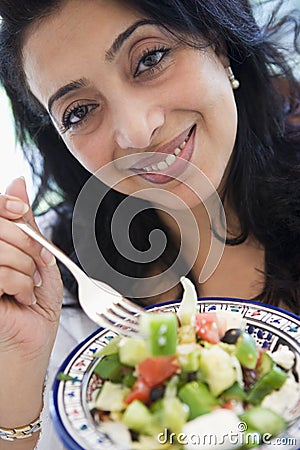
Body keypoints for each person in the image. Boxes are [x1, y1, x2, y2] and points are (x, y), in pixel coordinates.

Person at [0, 0, 299, 448]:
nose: (137, 133)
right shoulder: (51, 295)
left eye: (150, 59)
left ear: (216, 42)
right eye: (79, 111)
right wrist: (19, 367)